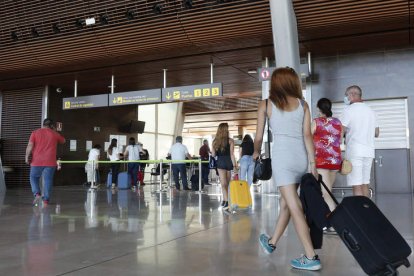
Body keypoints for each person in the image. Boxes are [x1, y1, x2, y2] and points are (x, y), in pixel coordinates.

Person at [254, 67, 321, 271]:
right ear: (293, 82)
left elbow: (258, 137)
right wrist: (313, 164)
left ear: (275, 83)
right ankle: (272, 242)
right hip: (301, 157)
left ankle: (311, 257)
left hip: (282, 158)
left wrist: (255, 152)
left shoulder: (266, 104)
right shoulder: (303, 104)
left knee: (294, 206)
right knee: (286, 203)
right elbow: (308, 136)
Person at [341, 85, 379, 197]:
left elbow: (340, 130)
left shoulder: (348, 110)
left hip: (355, 151)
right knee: (365, 183)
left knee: (356, 184)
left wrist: (338, 149)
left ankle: (359, 213)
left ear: (352, 95)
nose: (346, 98)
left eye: (346, 95)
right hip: (369, 151)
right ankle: (366, 212)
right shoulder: (371, 111)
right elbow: (377, 133)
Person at [25, 118, 65, 207]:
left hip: (36, 161)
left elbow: (30, 145)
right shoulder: (55, 134)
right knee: (48, 180)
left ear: (43, 124)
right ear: (52, 126)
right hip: (50, 162)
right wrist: (55, 131)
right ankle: (46, 200)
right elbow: (63, 140)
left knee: (33, 177)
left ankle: (37, 194)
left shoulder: (35, 132)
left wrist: (26, 156)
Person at [311, 98, 343, 211]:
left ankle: (333, 222)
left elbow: (308, 139)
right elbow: (340, 140)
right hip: (335, 160)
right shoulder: (338, 122)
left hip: (322, 160)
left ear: (318, 108)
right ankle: (327, 216)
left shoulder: (316, 122)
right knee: (328, 190)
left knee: (326, 193)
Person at [211, 123, 236, 211]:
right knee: (227, 184)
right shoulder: (231, 141)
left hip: (220, 163)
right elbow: (232, 155)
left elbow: (213, 154)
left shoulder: (215, 141)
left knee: (223, 183)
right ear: (226, 130)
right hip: (228, 162)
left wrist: (214, 151)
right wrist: (235, 165)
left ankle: (226, 201)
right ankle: (226, 200)